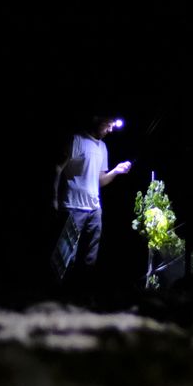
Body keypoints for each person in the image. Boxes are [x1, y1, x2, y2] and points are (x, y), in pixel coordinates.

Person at [51, 115, 132, 286]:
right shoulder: (76, 139)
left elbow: (100, 181)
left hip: (95, 208)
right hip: (73, 206)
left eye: (113, 126)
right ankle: (60, 294)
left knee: (90, 257)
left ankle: (84, 294)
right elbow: (57, 168)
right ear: (97, 119)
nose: (110, 130)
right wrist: (54, 199)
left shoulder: (102, 147)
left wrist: (116, 171)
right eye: (108, 125)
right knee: (68, 257)